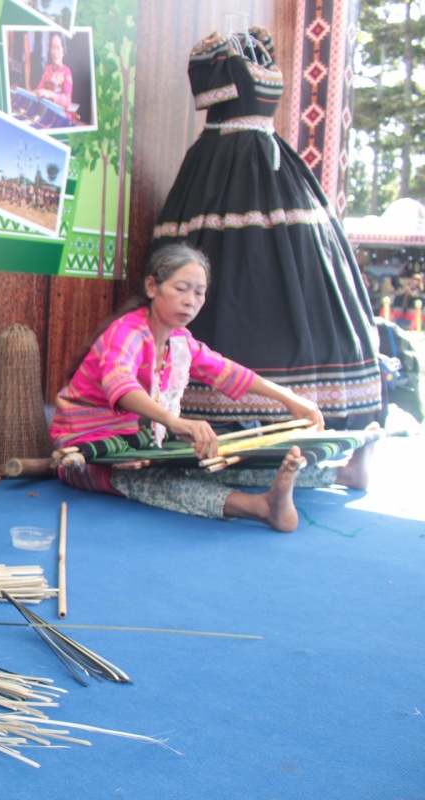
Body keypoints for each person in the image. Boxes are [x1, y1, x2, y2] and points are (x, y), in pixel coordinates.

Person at [152, 27, 383, 431]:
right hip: (220, 171)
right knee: (234, 277)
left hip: (277, 170)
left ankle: (309, 409)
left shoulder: (259, 44)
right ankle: (213, 418)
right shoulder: (212, 54)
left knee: (301, 280)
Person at [50, 243, 374, 532]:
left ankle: (340, 475)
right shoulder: (128, 332)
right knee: (158, 481)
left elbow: (228, 372)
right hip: (86, 453)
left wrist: (290, 400)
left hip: (135, 444)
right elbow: (120, 385)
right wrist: (175, 422)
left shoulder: (180, 341)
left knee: (217, 461)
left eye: (199, 292)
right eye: (181, 288)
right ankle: (260, 508)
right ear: (152, 286)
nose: (191, 301)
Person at [34, 32, 72, 110]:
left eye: (58, 48)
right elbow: (39, 90)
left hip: (62, 115)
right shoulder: (48, 69)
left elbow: (67, 100)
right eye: (52, 48)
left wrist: (49, 94)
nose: (55, 52)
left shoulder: (66, 71)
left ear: (63, 51)